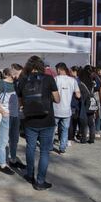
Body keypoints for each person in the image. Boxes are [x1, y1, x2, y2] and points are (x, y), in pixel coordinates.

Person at [17, 56, 60, 191]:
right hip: (47, 119)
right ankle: (40, 181)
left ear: (28, 66)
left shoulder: (22, 80)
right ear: (41, 66)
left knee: (30, 148)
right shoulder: (48, 78)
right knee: (44, 151)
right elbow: (57, 99)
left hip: (30, 120)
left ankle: (30, 175)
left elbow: (20, 102)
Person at [0, 68, 26, 175]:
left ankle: (13, 160)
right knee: (3, 141)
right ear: (13, 74)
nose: (22, 76)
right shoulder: (2, 84)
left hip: (15, 116)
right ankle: (2, 164)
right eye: (20, 74)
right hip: (6, 116)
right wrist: (3, 111)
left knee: (14, 140)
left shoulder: (17, 84)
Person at [53, 63, 80, 154]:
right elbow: (78, 94)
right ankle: (62, 148)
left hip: (56, 109)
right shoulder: (73, 80)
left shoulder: (55, 79)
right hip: (67, 110)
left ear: (59, 69)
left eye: (57, 69)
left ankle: (49, 146)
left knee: (52, 129)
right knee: (65, 130)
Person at [68, 66, 81, 145]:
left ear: (74, 71)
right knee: (75, 121)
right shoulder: (79, 80)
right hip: (77, 104)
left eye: (70, 71)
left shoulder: (74, 81)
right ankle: (73, 136)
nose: (69, 73)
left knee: (71, 122)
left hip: (72, 103)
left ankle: (70, 138)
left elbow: (77, 94)